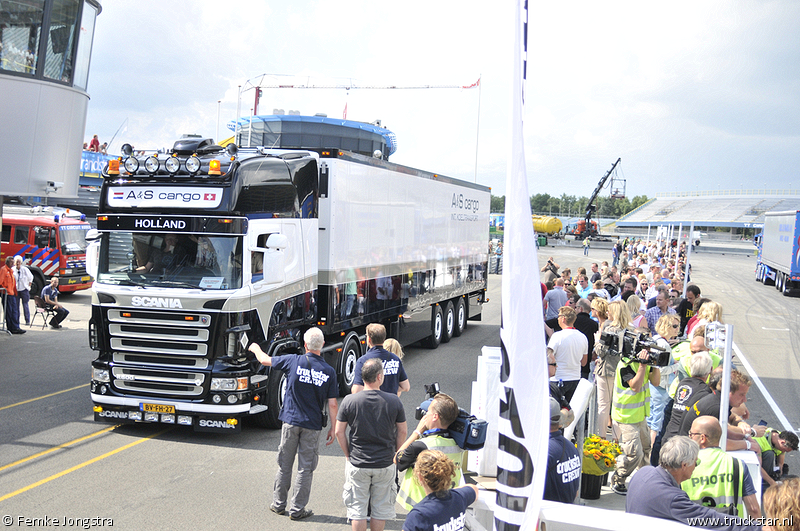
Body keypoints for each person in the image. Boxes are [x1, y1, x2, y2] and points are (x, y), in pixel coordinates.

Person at [248, 328, 339, 521]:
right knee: (305, 468)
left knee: (284, 464)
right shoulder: (329, 371)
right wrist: (333, 427)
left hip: (290, 421)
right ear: (322, 345)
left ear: (305, 345)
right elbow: (332, 403)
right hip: (312, 425)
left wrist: (255, 347)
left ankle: (278, 504)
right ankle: (298, 509)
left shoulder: (293, 361)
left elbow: (265, 360)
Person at [626, 435, 761, 530]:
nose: (697, 465)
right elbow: (708, 519)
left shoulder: (643, 472)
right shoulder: (672, 498)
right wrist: (759, 527)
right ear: (684, 465)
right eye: (696, 462)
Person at [336, 358, 407, 531]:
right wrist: (396, 454)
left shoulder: (349, 401)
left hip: (358, 463)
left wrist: (347, 455)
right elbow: (403, 431)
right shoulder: (394, 401)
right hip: (384, 463)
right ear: (379, 377)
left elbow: (339, 431)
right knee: (379, 510)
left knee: (358, 510)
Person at [395, 393, 464, 510]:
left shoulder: (422, 445)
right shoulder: (457, 444)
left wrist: (417, 432)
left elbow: (397, 458)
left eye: (428, 411)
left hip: (421, 506)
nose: (425, 414)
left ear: (435, 417)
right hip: (447, 502)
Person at [683, 416, 761, 518]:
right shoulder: (737, 465)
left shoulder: (684, 465)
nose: (690, 437)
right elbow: (753, 509)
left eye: (691, 434)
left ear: (703, 438)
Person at [610, 343, 661, 495]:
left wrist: (655, 365)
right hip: (626, 416)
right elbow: (635, 387)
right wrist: (643, 366)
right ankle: (618, 479)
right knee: (635, 454)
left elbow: (656, 382)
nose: (648, 353)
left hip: (640, 415)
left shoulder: (644, 364)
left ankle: (644, 481)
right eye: (647, 350)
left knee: (646, 450)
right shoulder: (625, 364)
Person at [401, 449, 479, 531]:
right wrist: (452, 491)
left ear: (420, 477)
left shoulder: (419, 515)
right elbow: (474, 488)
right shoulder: (459, 497)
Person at [593, 300, 631, 440]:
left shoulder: (609, 329)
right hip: (624, 373)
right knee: (617, 406)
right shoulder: (630, 329)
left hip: (607, 371)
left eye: (609, 310)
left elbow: (600, 351)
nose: (607, 312)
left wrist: (597, 339)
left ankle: (602, 438)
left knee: (603, 406)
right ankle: (616, 439)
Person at [351, 323, 410, 396]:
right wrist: (390, 389)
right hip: (391, 404)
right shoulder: (395, 359)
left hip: (372, 404)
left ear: (369, 339)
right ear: (384, 339)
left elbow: (356, 391)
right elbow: (406, 387)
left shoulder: (363, 361)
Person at [547, 306, 588, 403]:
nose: (557, 319)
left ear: (563, 318)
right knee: (571, 412)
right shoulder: (583, 337)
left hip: (558, 379)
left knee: (556, 412)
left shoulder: (557, 336)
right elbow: (584, 362)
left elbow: (549, 356)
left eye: (558, 317)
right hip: (575, 378)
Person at [544, 398, 581, 503]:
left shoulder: (545, 451)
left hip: (547, 516)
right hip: (564, 513)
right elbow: (576, 492)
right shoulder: (571, 448)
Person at [1, 256, 25, 334]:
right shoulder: (4, 270)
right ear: (7, 262)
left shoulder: (11, 271)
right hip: (7, 294)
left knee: (14, 311)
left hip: (12, 293)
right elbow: (0, 282)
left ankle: (15, 327)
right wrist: (5, 290)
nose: (12, 263)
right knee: (9, 311)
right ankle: (12, 328)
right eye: (11, 262)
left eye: (13, 262)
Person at [14, 256, 33, 326]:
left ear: (21, 262)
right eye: (16, 262)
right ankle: (16, 320)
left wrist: (29, 286)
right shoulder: (13, 270)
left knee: (25, 305)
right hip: (16, 290)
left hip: (24, 289)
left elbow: (31, 277)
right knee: (16, 306)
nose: (18, 263)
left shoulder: (25, 269)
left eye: (19, 262)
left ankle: (27, 320)